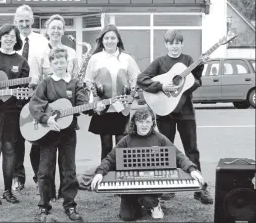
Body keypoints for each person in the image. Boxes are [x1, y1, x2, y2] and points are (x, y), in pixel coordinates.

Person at [136, 29, 213, 204]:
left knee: (191, 150)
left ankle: (199, 188)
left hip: (186, 112)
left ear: (182, 44)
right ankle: (167, 187)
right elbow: (141, 79)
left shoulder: (188, 61)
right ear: (166, 45)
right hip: (165, 113)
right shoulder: (160, 62)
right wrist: (161, 87)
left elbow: (197, 80)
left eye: (178, 42)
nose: (174, 46)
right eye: (171, 43)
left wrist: (200, 66)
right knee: (165, 151)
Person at [90, 105, 206, 221]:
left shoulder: (160, 138)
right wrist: (100, 172)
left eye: (147, 121)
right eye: (141, 122)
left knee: (148, 199)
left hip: (152, 183)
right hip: (131, 183)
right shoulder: (126, 140)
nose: (144, 125)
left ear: (152, 123)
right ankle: (137, 202)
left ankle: (154, 204)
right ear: (135, 122)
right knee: (127, 217)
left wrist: (192, 169)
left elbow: (178, 156)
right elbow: (110, 159)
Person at [29, 47, 101, 222]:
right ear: (51, 64)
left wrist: (95, 107)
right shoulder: (46, 83)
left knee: (69, 170)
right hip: (48, 134)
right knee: (45, 171)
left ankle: (70, 205)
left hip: (68, 133)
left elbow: (84, 103)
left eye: (62, 62)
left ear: (67, 63)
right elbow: (34, 105)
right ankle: (44, 207)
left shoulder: (75, 83)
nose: (59, 65)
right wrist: (46, 119)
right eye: (55, 62)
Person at [0, 24, 30, 205]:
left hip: (12, 111)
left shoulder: (22, 62)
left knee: (10, 151)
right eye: (6, 35)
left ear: (17, 40)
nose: (10, 38)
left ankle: (7, 190)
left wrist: (17, 92)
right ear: (0, 37)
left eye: (13, 36)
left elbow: (25, 90)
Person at [84, 24, 140, 161]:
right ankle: (104, 175)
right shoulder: (95, 58)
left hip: (122, 108)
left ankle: (122, 175)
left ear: (118, 40)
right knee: (106, 145)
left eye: (113, 38)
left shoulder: (127, 58)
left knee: (122, 145)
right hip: (104, 109)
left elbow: (136, 79)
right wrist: (96, 98)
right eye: (106, 38)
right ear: (102, 40)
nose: (109, 41)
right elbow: (88, 81)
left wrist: (131, 97)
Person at [13, 4, 49, 192]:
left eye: (27, 20)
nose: (24, 24)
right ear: (15, 21)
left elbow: (47, 69)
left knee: (37, 138)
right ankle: (18, 177)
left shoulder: (42, 41)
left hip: (36, 96)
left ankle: (38, 176)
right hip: (14, 97)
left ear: (33, 21)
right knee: (16, 139)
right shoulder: (9, 39)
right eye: (21, 21)